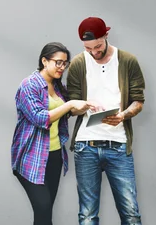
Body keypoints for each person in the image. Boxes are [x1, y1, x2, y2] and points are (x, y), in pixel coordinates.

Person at [67, 17, 145, 225]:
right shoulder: (78, 63)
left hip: (118, 146)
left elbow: (138, 101)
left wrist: (122, 116)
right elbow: (71, 107)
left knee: (130, 214)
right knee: (87, 215)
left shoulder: (127, 61)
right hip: (86, 146)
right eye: (88, 48)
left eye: (98, 46)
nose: (94, 52)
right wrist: (82, 105)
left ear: (106, 36)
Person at [11, 42, 94, 225]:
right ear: (44, 61)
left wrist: (84, 107)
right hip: (31, 157)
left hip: (54, 155)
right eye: (58, 62)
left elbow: (64, 113)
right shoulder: (29, 85)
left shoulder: (57, 86)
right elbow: (41, 118)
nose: (62, 67)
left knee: (45, 214)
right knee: (43, 207)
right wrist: (70, 105)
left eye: (65, 63)